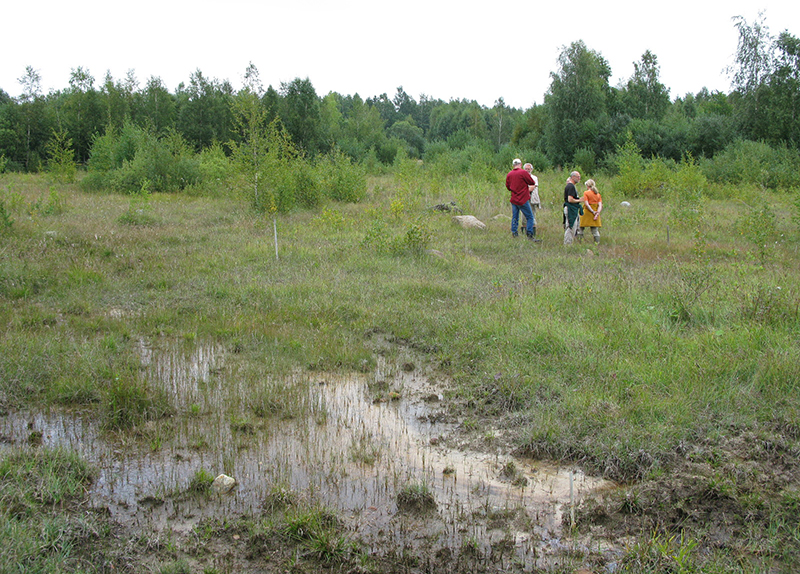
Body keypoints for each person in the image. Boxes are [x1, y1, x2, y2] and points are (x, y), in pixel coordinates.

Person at [505, 158, 536, 239]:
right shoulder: (523, 172)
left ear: (513, 165)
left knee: (515, 216)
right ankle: (529, 234)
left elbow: (508, 187)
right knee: (530, 217)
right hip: (523, 199)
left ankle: (514, 233)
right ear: (521, 164)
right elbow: (531, 182)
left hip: (514, 199)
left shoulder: (509, 174)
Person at [579, 179, 603, 244]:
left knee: (581, 227)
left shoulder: (586, 193)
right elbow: (600, 205)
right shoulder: (598, 194)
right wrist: (597, 213)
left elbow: (587, 204)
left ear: (587, 185)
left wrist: (592, 211)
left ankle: (580, 242)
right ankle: (597, 243)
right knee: (595, 230)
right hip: (595, 213)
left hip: (587, 212)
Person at [522, 163, 541, 241]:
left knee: (532, 215)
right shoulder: (522, 177)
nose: (527, 170)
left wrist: (523, 190)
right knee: (523, 216)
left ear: (531, 169)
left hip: (532, 199)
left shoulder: (534, 178)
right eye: (526, 168)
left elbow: (532, 187)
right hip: (523, 198)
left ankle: (532, 233)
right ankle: (524, 232)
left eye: (529, 169)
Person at [563, 171, 582, 245]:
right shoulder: (570, 186)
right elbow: (570, 199)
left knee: (574, 227)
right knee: (571, 227)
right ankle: (567, 244)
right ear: (573, 177)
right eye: (578, 177)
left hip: (573, 209)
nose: (579, 178)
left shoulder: (571, 186)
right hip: (571, 209)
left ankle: (569, 243)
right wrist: (580, 200)